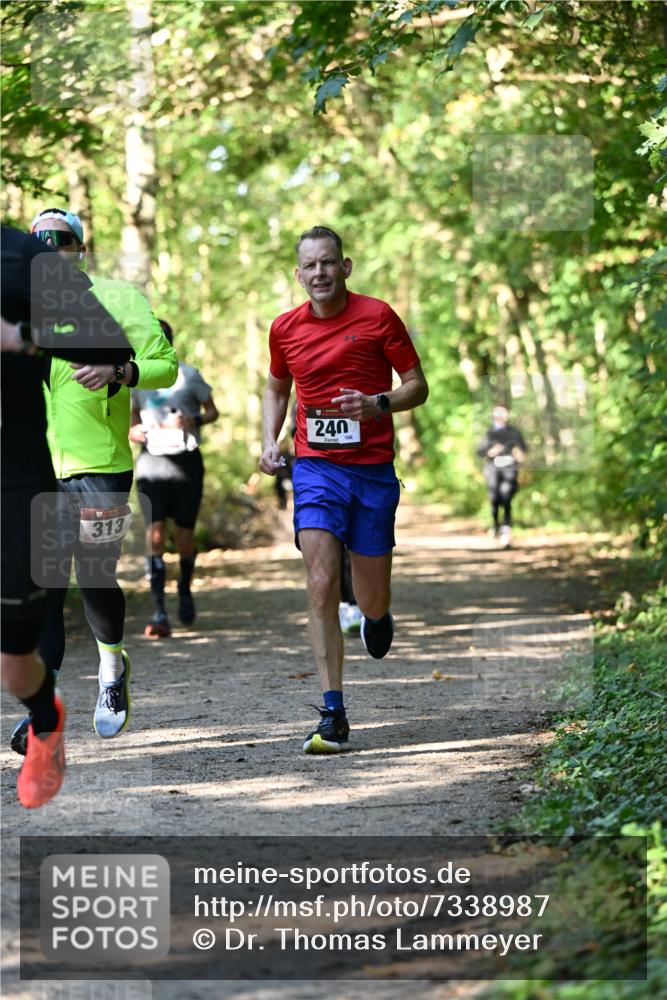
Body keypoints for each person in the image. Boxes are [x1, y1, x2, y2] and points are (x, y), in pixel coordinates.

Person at [10, 208, 177, 758]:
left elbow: (164, 365)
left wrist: (118, 371)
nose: (48, 251)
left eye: (59, 241)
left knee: (95, 574)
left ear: (81, 249)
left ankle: (111, 666)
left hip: (101, 463)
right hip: (37, 466)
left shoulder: (118, 298)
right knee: (47, 586)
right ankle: (47, 709)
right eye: (38, 243)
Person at [259, 225, 428, 754]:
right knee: (320, 580)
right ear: (298, 273)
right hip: (314, 467)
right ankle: (333, 711)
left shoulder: (378, 317)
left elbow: (418, 386)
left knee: (371, 594)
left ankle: (377, 615)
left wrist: (377, 404)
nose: (319, 274)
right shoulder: (284, 328)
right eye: (309, 266)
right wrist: (270, 439)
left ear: (346, 266)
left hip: (373, 469)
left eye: (328, 263)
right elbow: (276, 386)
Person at [1, 224, 132, 807]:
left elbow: (107, 344)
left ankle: (45, 713)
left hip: (21, 475)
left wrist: (23, 335)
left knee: (15, 657)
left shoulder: (22, 256)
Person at [130, 319, 219, 637]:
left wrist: (192, 419)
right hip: (152, 463)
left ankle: (184, 589)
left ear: (168, 342)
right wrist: (134, 430)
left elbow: (212, 410)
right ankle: (158, 610)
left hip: (186, 463)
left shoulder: (188, 374)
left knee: (183, 538)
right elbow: (130, 419)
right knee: (154, 536)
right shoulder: (134, 377)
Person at [476, 404, 527, 547]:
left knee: (506, 497)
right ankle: (495, 524)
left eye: (504, 413)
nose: (502, 416)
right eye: (498, 413)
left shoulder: (514, 432)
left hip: (509, 469)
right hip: (493, 469)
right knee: (494, 499)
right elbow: (480, 452)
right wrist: (491, 452)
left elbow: (523, 451)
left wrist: (520, 457)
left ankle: (506, 530)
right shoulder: (489, 433)